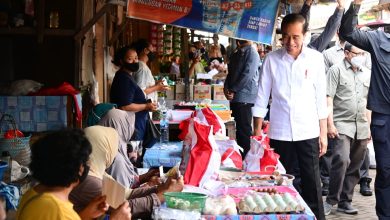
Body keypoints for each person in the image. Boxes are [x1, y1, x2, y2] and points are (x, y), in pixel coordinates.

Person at [252, 13, 327, 220]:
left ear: (306, 36)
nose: (290, 42)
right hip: (280, 132)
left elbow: (320, 99)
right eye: (285, 36)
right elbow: (261, 98)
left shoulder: (316, 59)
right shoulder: (271, 60)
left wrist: (323, 134)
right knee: (281, 183)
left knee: (312, 184)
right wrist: (257, 133)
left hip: (308, 131)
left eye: (295, 37)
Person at [339, 0, 390, 218]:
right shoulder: (378, 38)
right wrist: (356, 5)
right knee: (386, 171)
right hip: (384, 118)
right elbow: (348, 31)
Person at [70, 126, 184, 219]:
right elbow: (125, 206)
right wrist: (165, 194)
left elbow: (125, 193)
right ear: (104, 148)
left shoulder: (96, 171)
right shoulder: (88, 180)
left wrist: (161, 188)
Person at [16, 129, 123, 220]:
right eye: (85, 161)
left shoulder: (31, 195)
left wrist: (85, 215)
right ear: (79, 170)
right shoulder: (61, 212)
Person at [323, 43, 371, 216]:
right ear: (347, 53)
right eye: (358, 53)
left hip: (362, 125)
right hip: (341, 123)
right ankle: (331, 199)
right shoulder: (336, 70)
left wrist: (369, 126)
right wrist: (330, 124)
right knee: (342, 160)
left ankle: (345, 201)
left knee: (356, 165)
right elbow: (328, 98)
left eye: (363, 53)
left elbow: (368, 103)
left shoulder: (367, 73)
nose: (361, 56)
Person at [98, 109, 159, 188]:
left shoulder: (117, 149)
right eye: (126, 125)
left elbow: (129, 181)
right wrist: (150, 185)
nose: (132, 129)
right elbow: (124, 197)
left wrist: (146, 177)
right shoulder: (115, 159)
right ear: (119, 127)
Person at [110, 46, 157, 147]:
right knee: (133, 160)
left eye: (136, 58)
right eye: (130, 59)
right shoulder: (124, 79)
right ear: (121, 61)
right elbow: (125, 106)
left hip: (135, 127)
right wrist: (146, 106)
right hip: (131, 130)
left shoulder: (127, 76)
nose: (134, 61)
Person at [224, 40, 260, 157]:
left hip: (245, 97)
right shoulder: (236, 53)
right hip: (235, 98)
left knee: (244, 131)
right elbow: (230, 74)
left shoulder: (252, 53)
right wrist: (227, 88)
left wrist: (234, 89)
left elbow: (248, 75)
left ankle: (247, 160)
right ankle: (241, 158)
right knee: (239, 131)